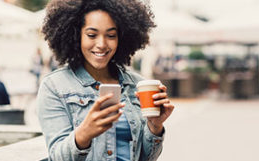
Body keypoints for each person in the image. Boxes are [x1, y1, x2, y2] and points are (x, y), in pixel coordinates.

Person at [37, 0, 174, 160]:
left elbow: (146, 157)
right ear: (76, 35)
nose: (101, 44)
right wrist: (83, 134)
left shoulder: (136, 85)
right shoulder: (55, 87)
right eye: (91, 35)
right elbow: (57, 157)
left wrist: (155, 126)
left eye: (110, 35)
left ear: (121, 38)